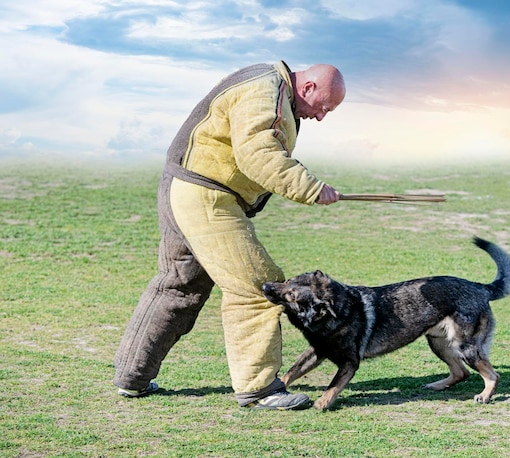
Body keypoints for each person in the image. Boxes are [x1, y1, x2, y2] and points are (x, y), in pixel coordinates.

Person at [113, 61, 346, 410]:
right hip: (205, 195)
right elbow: (258, 153)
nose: (321, 116)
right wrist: (310, 188)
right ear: (309, 87)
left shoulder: (272, 89)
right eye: (323, 107)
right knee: (259, 286)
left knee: (179, 286)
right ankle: (259, 390)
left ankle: (132, 378)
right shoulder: (264, 88)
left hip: (188, 187)